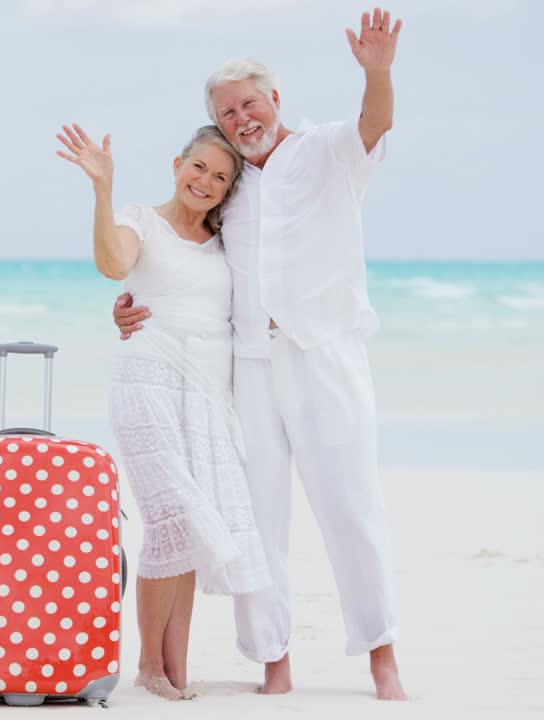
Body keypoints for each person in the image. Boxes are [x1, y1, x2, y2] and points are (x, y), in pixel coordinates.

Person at [112, 9, 408, 701]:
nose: (242, 118)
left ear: (275, 100)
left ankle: (381, 655)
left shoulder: (328, 150)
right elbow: (179, 258)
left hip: (327, 355)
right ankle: (273, 660)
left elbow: (376, 124)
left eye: (249, 103)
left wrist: (379, 73)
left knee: (352, 506)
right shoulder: (230, 188)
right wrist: (128, 301)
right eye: (227, 112)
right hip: (249, 368)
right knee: (259, 517)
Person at [56, 123, 271, 701]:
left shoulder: (227, 245)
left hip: (207, 395)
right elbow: (112, 262)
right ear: (178, 164)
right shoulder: (140, 219)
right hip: (147, 379)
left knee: (195, 525)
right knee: (171, 515)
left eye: (221, 177)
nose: (206, 181)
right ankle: (149, 665)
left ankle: (175, 666)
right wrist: (102, 188)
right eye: (199, 167)